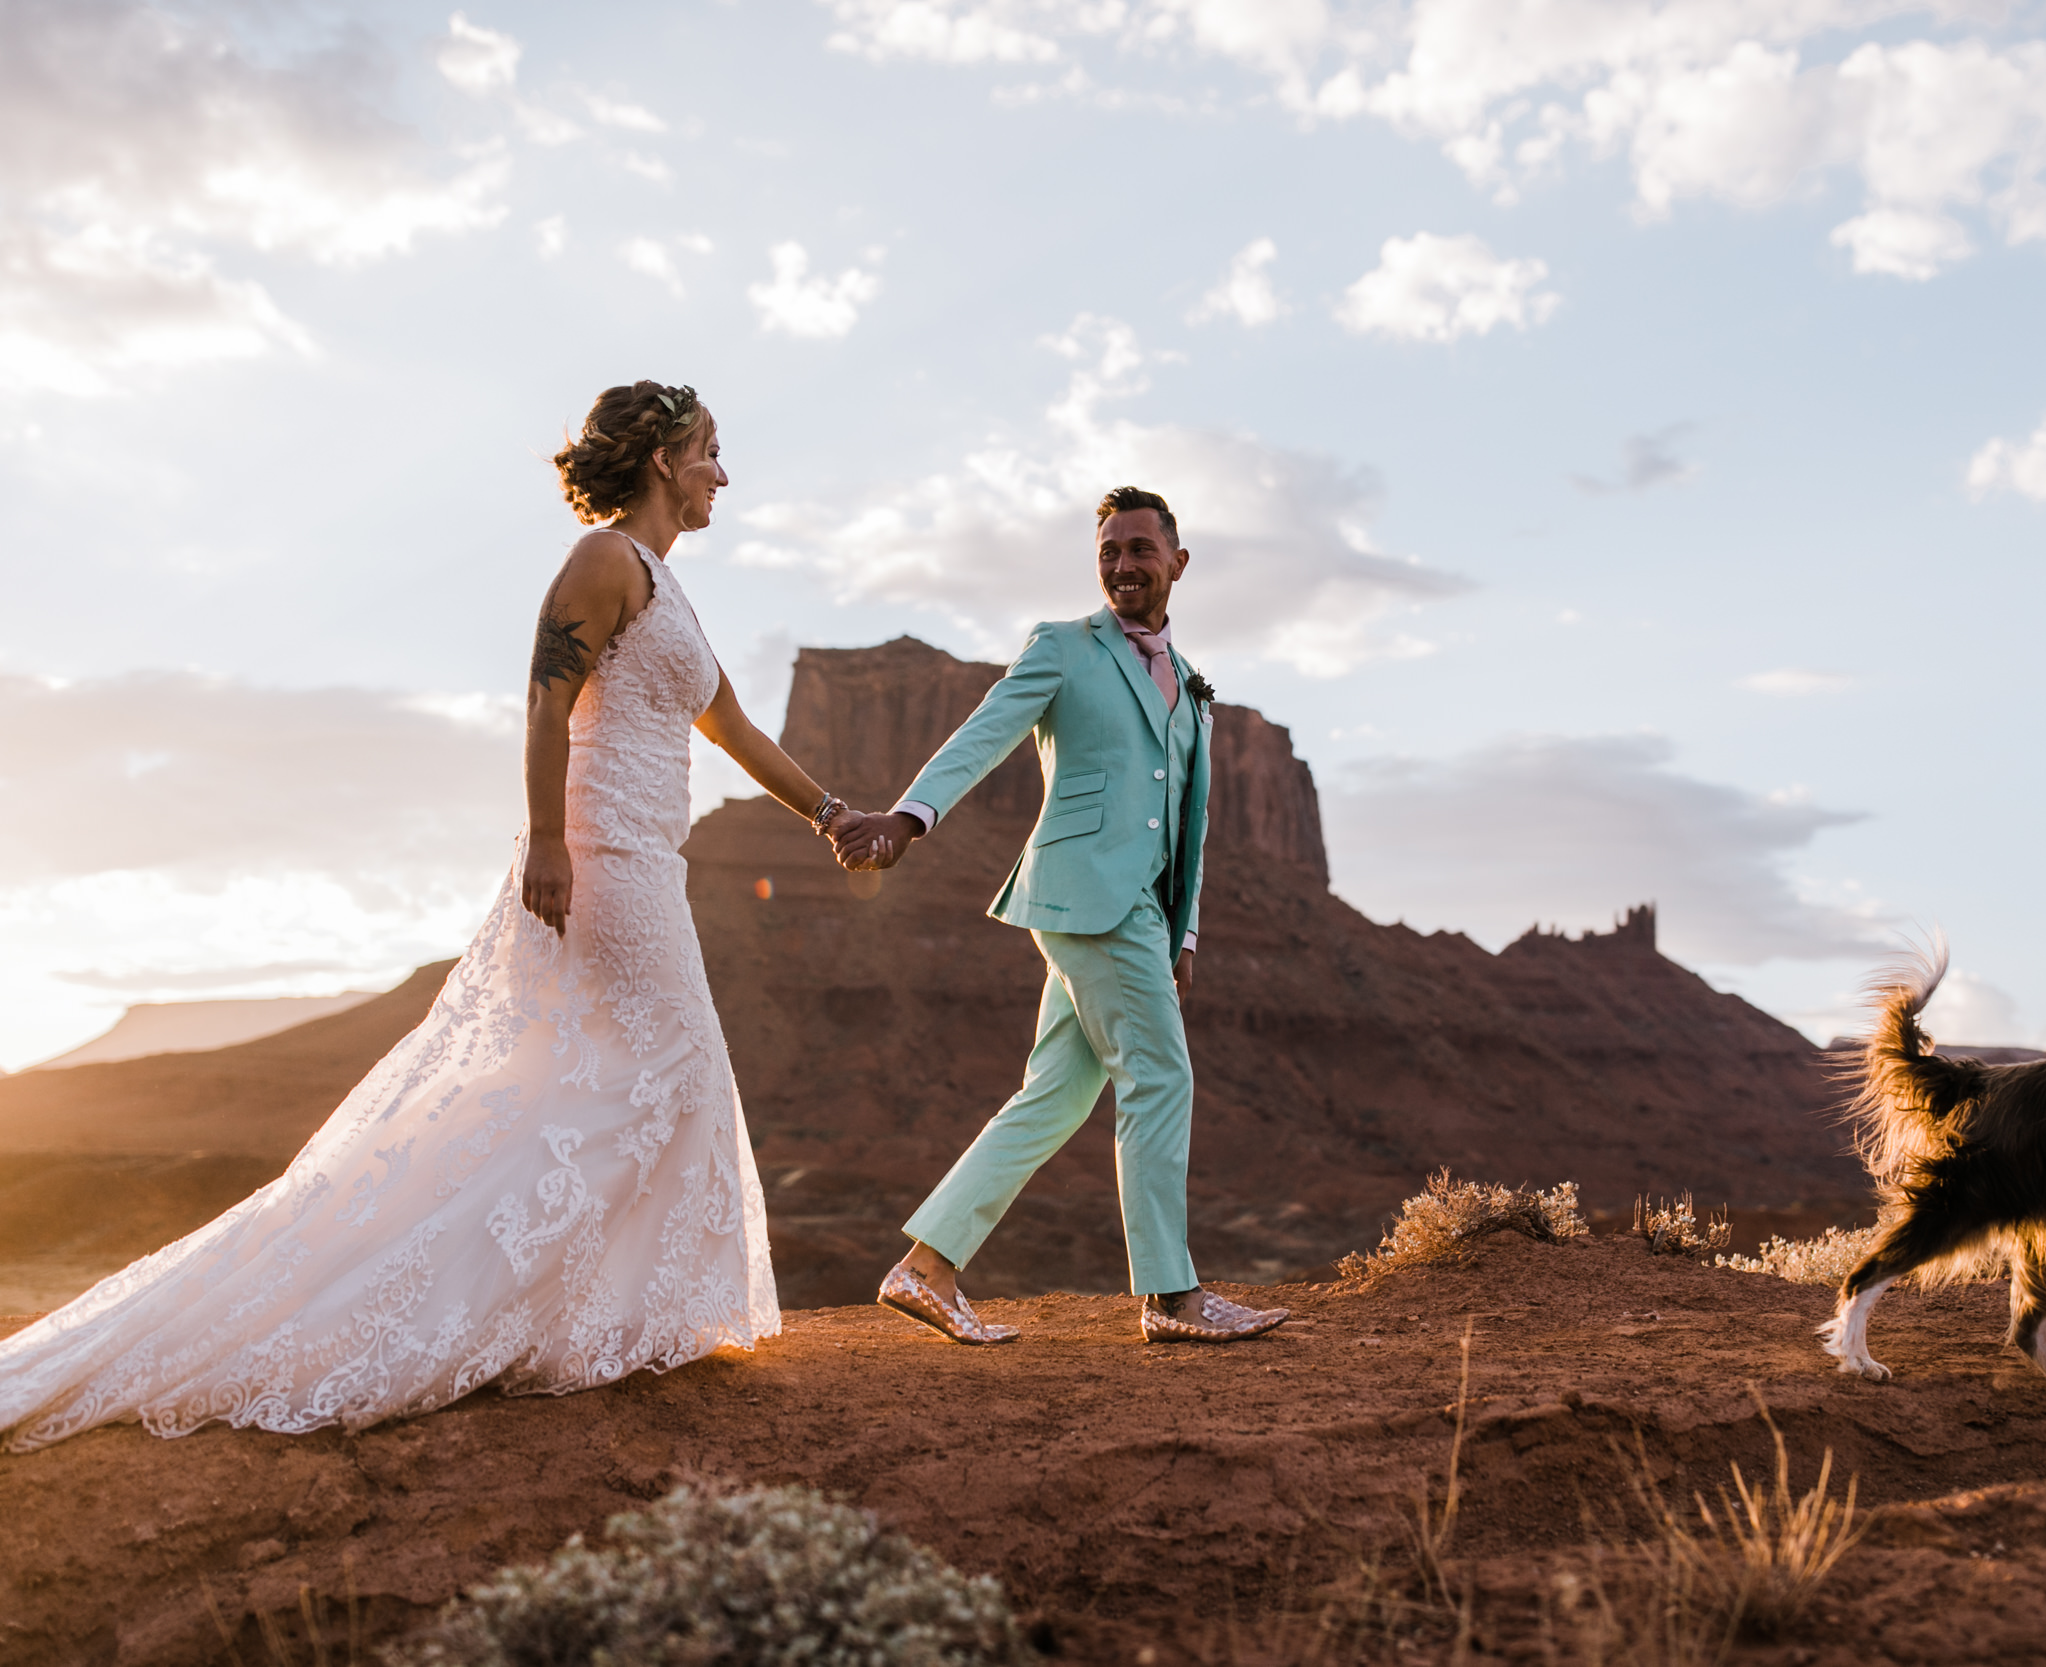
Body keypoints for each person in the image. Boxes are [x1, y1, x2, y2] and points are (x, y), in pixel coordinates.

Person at [0, 381, 852, 1451]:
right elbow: (547, 695)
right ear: (658, 460)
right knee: (662, 1072)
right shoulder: (603, 559)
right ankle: (497, 1307)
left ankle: (600, 1313)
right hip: (602, 857)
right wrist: (546, 837)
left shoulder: (667, 587)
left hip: (653, 862)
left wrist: (830, 814)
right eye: (710, 451)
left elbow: (725, 721)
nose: (723, 473)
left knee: (634, 1080)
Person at [834, 486, 1286, 1346]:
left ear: (1177, 564)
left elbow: (1190, 823)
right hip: (1085, 896)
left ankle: (926, 1267)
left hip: (1141, 914)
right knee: (1160, 1076)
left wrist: (1184, 932)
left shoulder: (1191, 688)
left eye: (1139, 550)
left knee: (1055, 1094)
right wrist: (908, 818)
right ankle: (1171, 1297)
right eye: (1109, 550)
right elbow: (984, 732)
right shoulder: (1064, 648)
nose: (1122, 565)